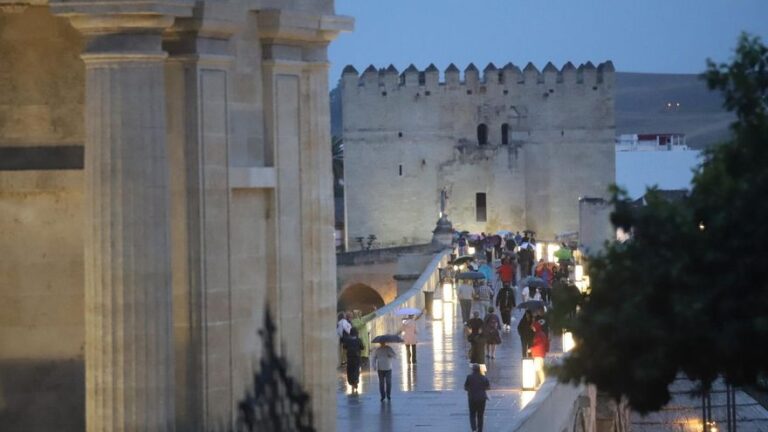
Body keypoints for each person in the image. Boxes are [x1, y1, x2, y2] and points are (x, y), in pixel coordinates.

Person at [464, 363, 490, 432]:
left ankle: (474, 429)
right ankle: (480, 430)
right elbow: (488, 387)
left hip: (472, 398)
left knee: (472, 414)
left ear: (473, 370)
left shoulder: (469, 377)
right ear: (479, 369)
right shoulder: (484, 377)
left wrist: (470, 389)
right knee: (480, 415)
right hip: (481, 398)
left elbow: (465, 387)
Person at [342, 328, 365, 392]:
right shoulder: (359, 340)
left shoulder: (347, 340)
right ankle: (355, 381)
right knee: (356, 370)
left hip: (349, 357)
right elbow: (362, 347)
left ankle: (351, 382)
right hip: (357, 357)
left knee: (350, 370)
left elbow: (344, 347)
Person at [531, 317, 550, 387]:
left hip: (538, 354)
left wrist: (531, 349)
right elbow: (546, 343)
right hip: (541, 354)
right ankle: (542, 382)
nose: (533, 329)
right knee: (539, 369)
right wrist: (546, 350)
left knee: (539, 369)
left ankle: (542, 383)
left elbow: (538, 345)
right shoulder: (542, 334)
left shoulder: (538, 335)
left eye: (533, 327)